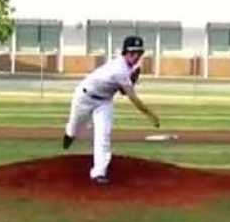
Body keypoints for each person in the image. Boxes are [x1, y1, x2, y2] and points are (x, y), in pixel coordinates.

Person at [62, 35, 161, 184]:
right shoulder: (119, 69)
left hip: (104, 102)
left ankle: (99, 173)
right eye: (132, 52)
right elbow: (132, 98)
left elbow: (120, 91)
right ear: (125, 52)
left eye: (139, 53)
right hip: (84, 97)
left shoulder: (131, 68)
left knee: (103, 135)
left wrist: (131, 81)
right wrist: (151, 114)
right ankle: (69, 135)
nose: (136, 56)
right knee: (74, 128)